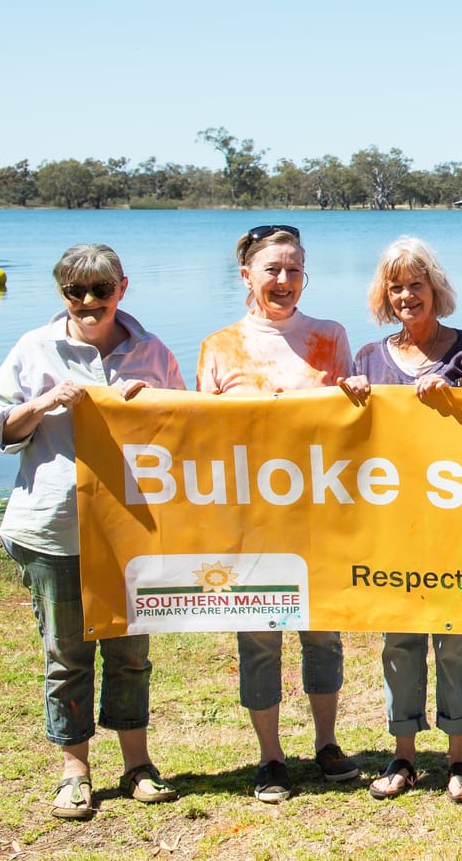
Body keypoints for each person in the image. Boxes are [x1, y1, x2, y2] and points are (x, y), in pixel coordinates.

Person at [0, 244, 185, 820]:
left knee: (130, 653)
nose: (89, 302)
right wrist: (45, 401)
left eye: (100, 289)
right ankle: (75, 772)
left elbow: (186, 435)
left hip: (130, 532)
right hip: (52, 529)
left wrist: (155, 409)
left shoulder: (153, 351)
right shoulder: (34, 348)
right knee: (67, 655)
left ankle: (138, 764)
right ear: (61, 293)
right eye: (75, 292)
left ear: (122, 287)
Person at [195, 224, 360, 802]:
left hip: (317, 516)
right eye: (273, 270)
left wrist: (359, 393)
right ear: (247, 276)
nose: (284, 281)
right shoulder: (219, 346)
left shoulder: (330, 336)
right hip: (249, 521)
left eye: (294, 269)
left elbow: (351, 429)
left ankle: (326, 743)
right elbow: (201, 441)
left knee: (323, 636)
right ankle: (270, 757)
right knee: (260, 639)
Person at [337, 237, 462, 804]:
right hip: (393, 526)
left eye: (417, 285)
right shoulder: (368, 359)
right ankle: (403, 755)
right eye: (396, 286)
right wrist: (350, 400)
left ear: (436, 289)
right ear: (386, 294)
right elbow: (354, 445)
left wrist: (457, 399)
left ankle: (459, 757)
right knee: (399, 641)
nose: (407, 295)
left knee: (454, 641)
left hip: (455, 524)